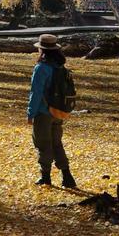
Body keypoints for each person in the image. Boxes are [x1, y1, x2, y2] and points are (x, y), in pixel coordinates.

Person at [27, 34, 76, 188]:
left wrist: (31, 113)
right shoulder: (60, 67)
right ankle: (67, 177)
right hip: (58, 111)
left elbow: (36, 93)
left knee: (43, 144)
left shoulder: (41, 68)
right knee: (57, 143)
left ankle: (45, 177)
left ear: (41, 49)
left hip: (43, 112)